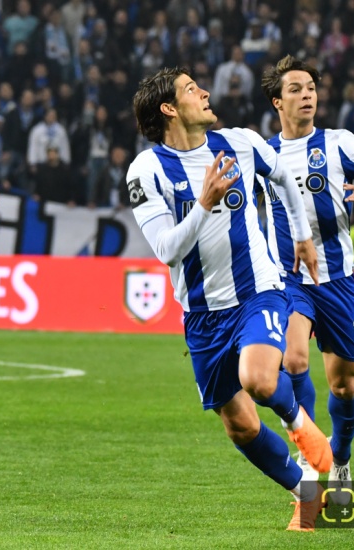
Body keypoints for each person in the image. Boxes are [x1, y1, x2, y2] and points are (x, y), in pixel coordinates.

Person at [128, 67, 331, 532]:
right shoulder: (146, 170)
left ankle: (300, 425)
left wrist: (302, 235)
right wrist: (203, 204)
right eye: (190, 89)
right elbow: (167, 249)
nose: (204, 92)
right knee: (240, 425)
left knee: (258, 379)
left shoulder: (241, 142)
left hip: (257, 291)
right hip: (202, 315)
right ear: (169, 109)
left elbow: (284, 177)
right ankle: (306, 494)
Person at [259, 55, 354, 491]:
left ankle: (340, 456)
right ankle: (309, 452)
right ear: (277, 101)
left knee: (343, 386)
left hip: (338, 280)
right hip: (288, 279)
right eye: (296, 89)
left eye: (311, 88)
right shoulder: (264, 154)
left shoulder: (339, 142)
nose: (307, 95)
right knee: (293, 358)